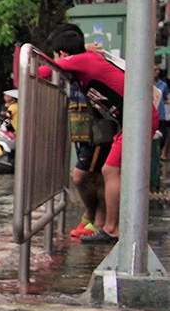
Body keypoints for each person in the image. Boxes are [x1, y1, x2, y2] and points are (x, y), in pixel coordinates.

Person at [43, 34, 156, 246]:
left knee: (110, 171)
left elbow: (42, 70)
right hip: (134, 119)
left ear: (63, 54)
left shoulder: (82, 60)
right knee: (111, 171)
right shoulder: (87, 58)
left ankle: (112, 229)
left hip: (138, 119)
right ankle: (113, 226)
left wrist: (66, 57)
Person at [53, 26, 114, 238]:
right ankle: (93, 218)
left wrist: (84, 52)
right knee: (93, 176)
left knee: (85, 176)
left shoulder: (85, 61)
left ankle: (97, 219)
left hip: (96, 129)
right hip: (82, 130)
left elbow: (47, 66)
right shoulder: (78, 62)